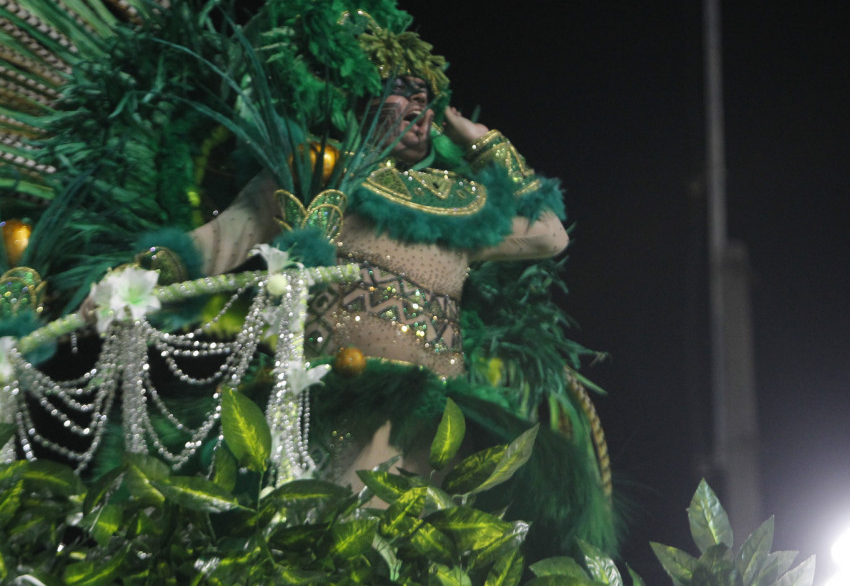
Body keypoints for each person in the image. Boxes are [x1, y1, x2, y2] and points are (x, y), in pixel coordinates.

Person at [185, 74, 568, 489]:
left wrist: (483, 143)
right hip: (334, 405)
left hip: (429, 429)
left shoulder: (457, 205)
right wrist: (133, 277)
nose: (419, 100)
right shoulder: (321, 172)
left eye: (425, 95)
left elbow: (549, 233)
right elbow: (218, 241)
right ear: (359, 103)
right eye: (400, 89)